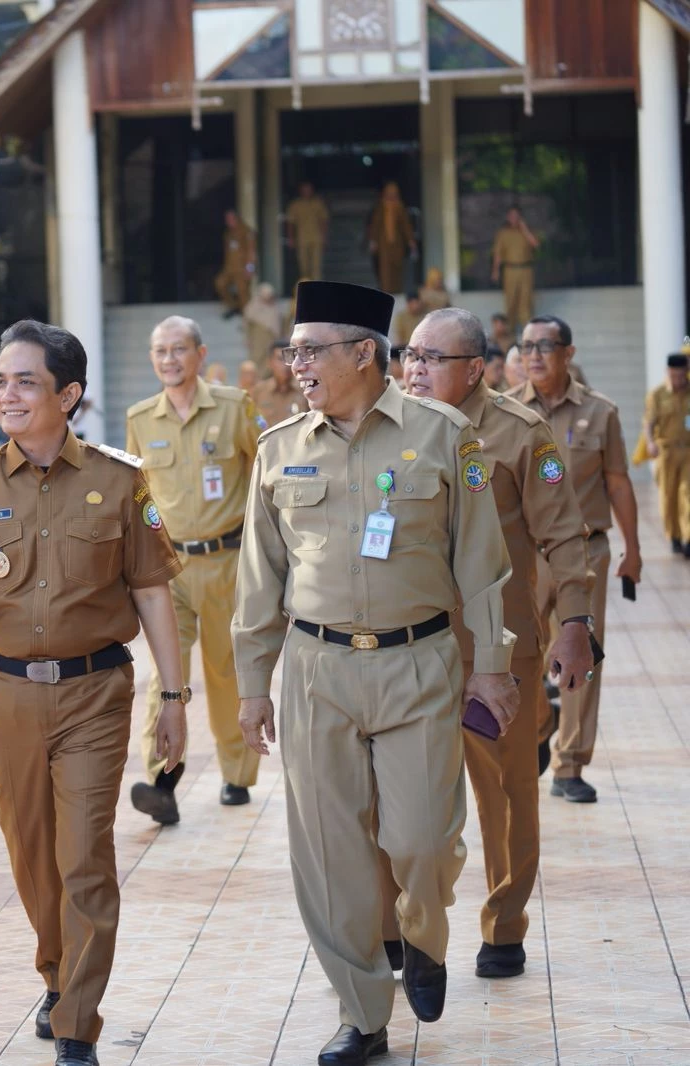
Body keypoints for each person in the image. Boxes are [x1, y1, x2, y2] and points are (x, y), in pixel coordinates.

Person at [233, 280, 518, 1066]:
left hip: (419, 662)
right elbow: (258, 578)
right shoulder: (279, 449)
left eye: (311, 350)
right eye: (292, 351)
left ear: (366, 353)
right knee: (329, 856)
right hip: (316, 669)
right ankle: (363, 1014)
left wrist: (491, 667)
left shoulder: (443, 435)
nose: (297, 365)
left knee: (422, 840)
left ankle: (422, 935)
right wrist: (253, 683)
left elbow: (483, 567)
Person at [0, 319, 186, 1066]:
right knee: (32, 853)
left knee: (84, 857)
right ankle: (55, 972)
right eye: (1, 379)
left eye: (24, 381)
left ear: (68, 394)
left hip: (95, 692)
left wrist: (175, 698)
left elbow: (155, 591)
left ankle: (77, 1023)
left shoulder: (118, 479)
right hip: (1, 693)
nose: (6, 393)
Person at [399, 307, 594, 981]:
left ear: (476, 368)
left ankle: (503, 923)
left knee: (505, 793)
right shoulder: (386, 429)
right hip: (406, 646)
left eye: (432, 359)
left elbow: (564, 535)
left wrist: (573, 623)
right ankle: (400, 922)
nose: (414, 370)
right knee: (395, 792)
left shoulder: (520, 435)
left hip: (496, 646)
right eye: (410, 355)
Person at [124, 316, 262, 825]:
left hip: (227, 563)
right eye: (160, 351)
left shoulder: (234, 407)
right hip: (168, 570)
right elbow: (137, 496)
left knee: (227, 672)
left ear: (200, 355)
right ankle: (163, 779)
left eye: (178, 350)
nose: (169, 360)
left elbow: (263, 473)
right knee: (167, 675)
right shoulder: (141, 419)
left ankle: (236, 774)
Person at [514, 315, 642, 803]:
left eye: (546, 345)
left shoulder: (600, 412)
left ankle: (570, 764)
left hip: (586, 552)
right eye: (528, 346)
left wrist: (632, 550)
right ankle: (542, 724)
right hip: (526, 554)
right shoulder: (506, 414)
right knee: (521, 653)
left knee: (581, 657)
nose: (535, 355)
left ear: (568, 353)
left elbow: (617, 483)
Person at [644, 352, 690, 555]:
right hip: (667, 452)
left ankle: (688, 537)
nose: (677, 380)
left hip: (688, 450)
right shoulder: (657, 394)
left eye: (681, 376)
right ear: (668, 372)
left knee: (687, 493)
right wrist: (650, 443)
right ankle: (674, 535)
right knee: (668, 496)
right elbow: (649, 423)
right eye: (674, 375)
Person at [492, 207, 541, 328]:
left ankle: (528, 330)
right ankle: (510, 331)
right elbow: (498, 253)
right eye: (512, 215)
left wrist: (524, 229)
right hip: (510, 269)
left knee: (526, 300)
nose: (514, 218)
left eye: (516, 216)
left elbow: (536, 245)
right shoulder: (503, 233)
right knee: (511, 300)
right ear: (508, 217)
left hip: (526, 268)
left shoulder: (527, 231)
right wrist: (495, 271)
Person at [366, 181, 416, 293]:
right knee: (385, 270)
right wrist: (373, 241)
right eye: (390, 192)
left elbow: (406, 226)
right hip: (384, 245)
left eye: (394, 192)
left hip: (398, 245)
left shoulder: (400, 207)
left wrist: (410, 240)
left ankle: (397, 291)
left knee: (397, 268)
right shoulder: (381, 207)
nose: (392, 195)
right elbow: (375, 225)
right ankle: (387, 292)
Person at [214, 208, 257, 317]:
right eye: (227, 219)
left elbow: (251, 251)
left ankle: (248, 317)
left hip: (242, 268)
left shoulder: (246, 231)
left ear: (236, 218)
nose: (228, 221)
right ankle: (234, 306)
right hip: (229, 268)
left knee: (243, 293)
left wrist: (250, 268)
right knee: (220, 283)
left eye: (230, 219)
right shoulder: (228, 233)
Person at [285, 181, 330, 280]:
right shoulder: (295, 205)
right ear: (300, 191)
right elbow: (290, 223)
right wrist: (290, 238)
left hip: (316, 238)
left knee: (316, 266)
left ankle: (317, 288)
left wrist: (325, 238)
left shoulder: (318, 203)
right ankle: (306, 288)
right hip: (302, 239)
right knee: (303, 266)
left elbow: (323, 221)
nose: (307, 192)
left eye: (309, 189)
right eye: (304, 190)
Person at [252, 341, 303, 427]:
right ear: (270, 362)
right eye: (280, 359)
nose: (285, 364)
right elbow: (253, 421)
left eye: (289, 359)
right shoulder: (259, 391)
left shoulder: (304, 390)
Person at [243, 282, 283, 372]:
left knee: (270, 360)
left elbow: (279, 326)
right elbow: (247, 327)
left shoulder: (275, 308)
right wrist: (247, 339)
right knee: (257, 360)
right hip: (258, 340)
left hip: (272, 339)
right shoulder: (253, 308)